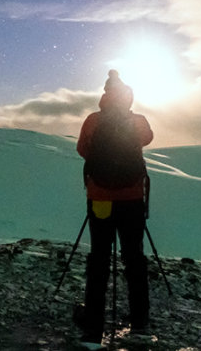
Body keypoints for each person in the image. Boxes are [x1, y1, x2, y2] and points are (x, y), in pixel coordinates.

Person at [74, 70, 153, 343]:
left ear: (104, 96)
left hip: (100, 200)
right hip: (132, 200)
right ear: (128, 97)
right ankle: (140, 325)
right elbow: (148, 138)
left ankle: (93, 331)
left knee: (99, 260)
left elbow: (83, 150)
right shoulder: (138, 121)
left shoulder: (92, 121)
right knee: (134, 259)